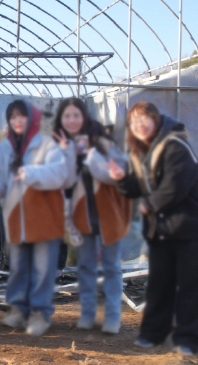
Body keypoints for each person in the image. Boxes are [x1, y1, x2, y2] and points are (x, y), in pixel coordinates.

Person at [109, 102, 198, 356]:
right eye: (134, 123)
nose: (140, 125)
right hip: (162, 230)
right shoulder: (141, 153)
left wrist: (149, 205)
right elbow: (136, 188)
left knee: (193, 286)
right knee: (160, 285)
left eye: (144, 119)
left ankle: (189, 340)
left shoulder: (175, 146)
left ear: (156, 120)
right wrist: (121, 179)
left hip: (191, 228)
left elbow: (175, 186)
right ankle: (153, 334)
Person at [0, 100, 68, 338]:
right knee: (19, 267)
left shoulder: (48, 146)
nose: (17, 121)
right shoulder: (4, 149)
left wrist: (33, 173)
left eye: (22, 117)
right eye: (13, 117)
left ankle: (39, 315)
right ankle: (18, 310)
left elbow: (59, 175)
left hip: (43, 216)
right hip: (15, 216)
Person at [52, 98, 131, 334]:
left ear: (84, 117)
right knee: (85, 266)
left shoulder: (102, 141)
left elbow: (115, 174)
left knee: (111, 266)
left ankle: (113, 318)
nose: (72, 120)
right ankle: (87, 314)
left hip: (109, 213)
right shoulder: (61, 145)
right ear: (61, 120)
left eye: (76, 115)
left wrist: (90, 154)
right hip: (81, 215)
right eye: (67, 116)